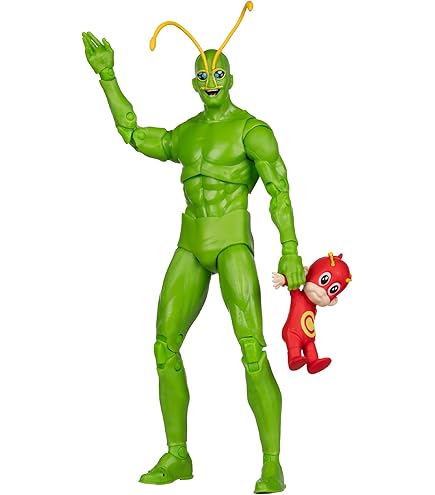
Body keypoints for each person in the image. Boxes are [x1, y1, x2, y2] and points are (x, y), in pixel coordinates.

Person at [82, 3, 305, 492]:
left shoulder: (252, 130)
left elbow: (279, 190)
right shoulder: (187, 133)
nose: (210, 80)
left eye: (217, 72)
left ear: (230, 77)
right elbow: (133, 134)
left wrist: (290, 249)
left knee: (252, 350)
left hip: (232, 242)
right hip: (191, 241)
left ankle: (272, 463)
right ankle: (178, 454)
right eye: (202, 75)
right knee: (164, 346)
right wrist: (108, 77)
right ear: (194, 83)